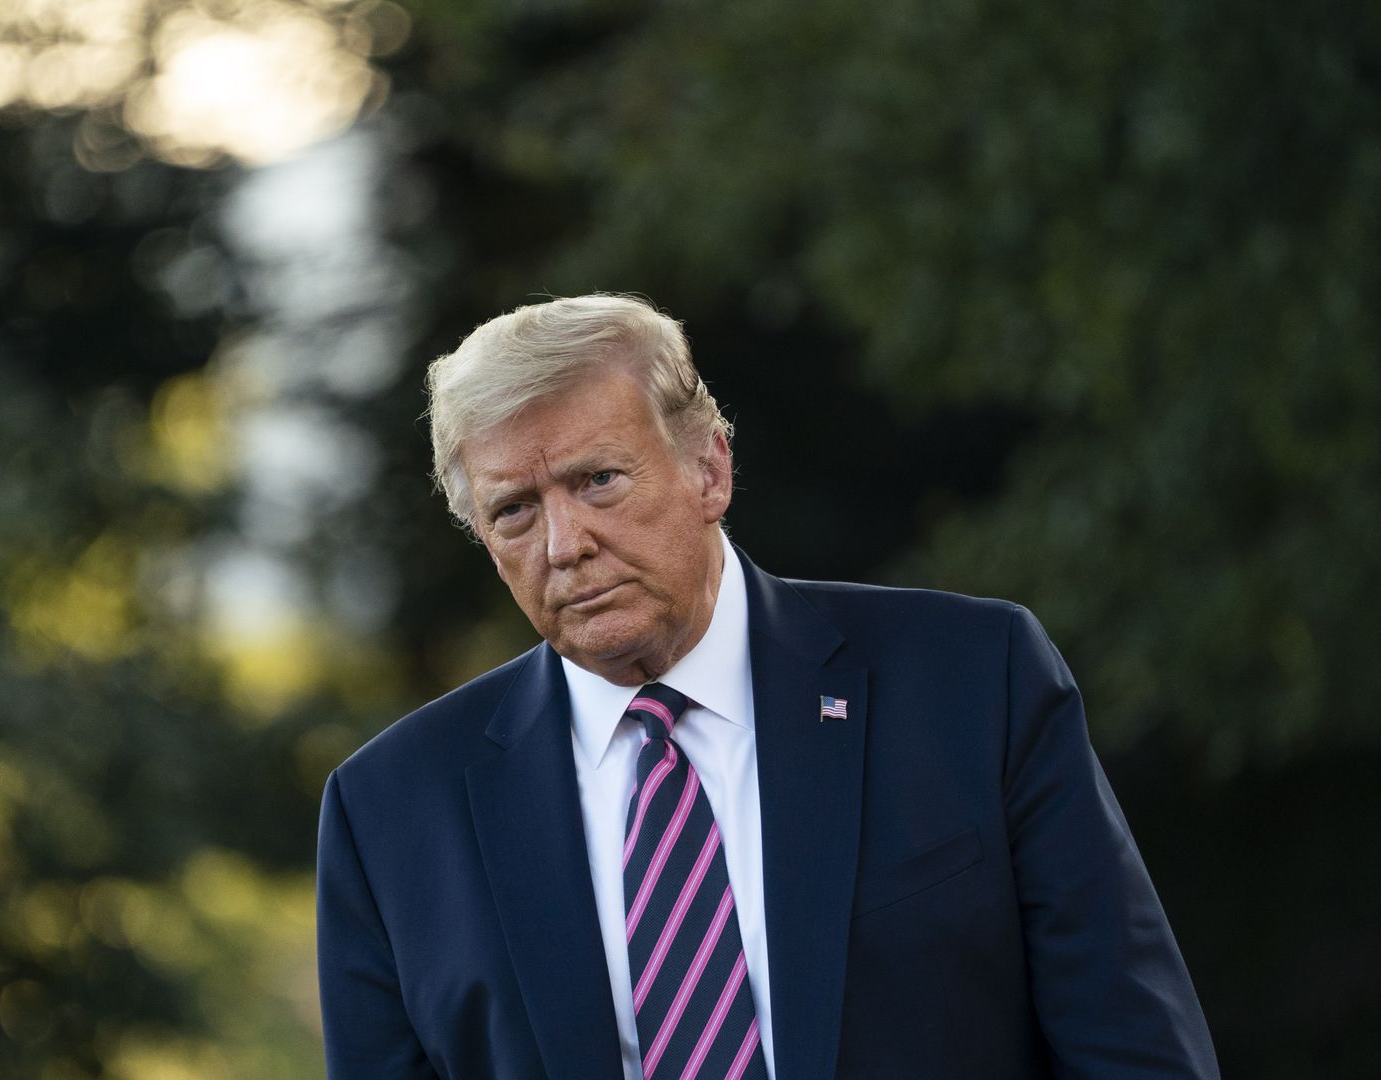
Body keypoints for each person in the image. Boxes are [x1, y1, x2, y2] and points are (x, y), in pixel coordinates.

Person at [315, 294, 1220, 1080]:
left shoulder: (970, 683)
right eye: (515, 510)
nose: (564, 545)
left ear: (709, 469)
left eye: (598, 481)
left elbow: (1130, 1048)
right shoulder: (392, 810)